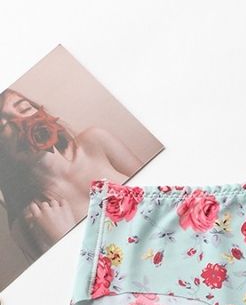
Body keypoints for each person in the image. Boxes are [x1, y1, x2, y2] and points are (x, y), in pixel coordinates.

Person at [0, 88, 142, 261]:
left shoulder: (95, 141)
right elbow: (80, 274)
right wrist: (63, 237)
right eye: (4, 126)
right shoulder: (29, 221)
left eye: (24, 108)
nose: (24, 122)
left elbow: (163, 187)